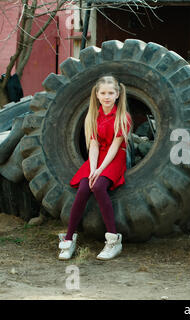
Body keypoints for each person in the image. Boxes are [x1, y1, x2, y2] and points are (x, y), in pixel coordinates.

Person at [58, 75, 132, 261]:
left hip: (114, 157)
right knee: (84, 188)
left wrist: (100, 171)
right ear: (97, 95)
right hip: (97, 157)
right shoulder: (92, 116)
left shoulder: (123, 117)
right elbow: (94, 146)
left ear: (117, 94)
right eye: (103, 93)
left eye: (111, 93)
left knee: (98, 186)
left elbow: (115, 147)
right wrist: (92, 168)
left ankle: (113, 240)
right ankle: (68, 239)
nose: (107, 96)